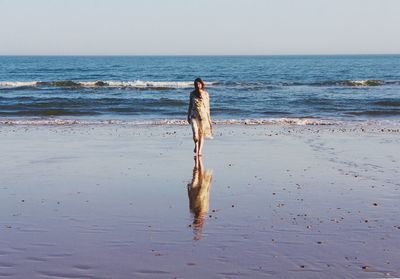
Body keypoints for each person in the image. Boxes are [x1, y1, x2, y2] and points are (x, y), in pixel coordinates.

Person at [187, 78, 213, 156]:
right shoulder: (192, 94)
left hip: (203, 116)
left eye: (199, 84)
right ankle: (196, 145)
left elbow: (208, 107)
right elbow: (190, 105)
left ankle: (199, 151)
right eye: (196, 84)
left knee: (201, 134)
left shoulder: (206, 94)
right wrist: (188, 115)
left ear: (202, 84)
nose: (198, 85)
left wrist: (209, 118)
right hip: (194, 115)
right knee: (195, 134)